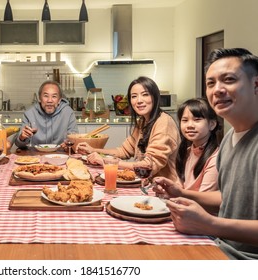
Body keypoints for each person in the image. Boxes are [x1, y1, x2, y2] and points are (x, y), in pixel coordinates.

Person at [153, 48, 258, 259]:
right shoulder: (229, 139)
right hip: (219, 246)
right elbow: (227, 198)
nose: (217, 89)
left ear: (256, 85)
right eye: (211, 83)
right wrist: (181, 193)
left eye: (228, 79)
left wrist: (209, 224)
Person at [77, 76, 180, 182]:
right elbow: (124, 151)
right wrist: (94, 150)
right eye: (134, 96)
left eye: (145, 94)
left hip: (165, 190)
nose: (139, 100)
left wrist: (107, 162)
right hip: (146, 184)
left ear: (155, 97)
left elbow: (148, 165)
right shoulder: (142, 122)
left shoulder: (164, 122)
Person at [14, 80, 78, 148]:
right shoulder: (29, 114)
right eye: (46, 96)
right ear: (40, 98)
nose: (49, 101)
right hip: (36, 156)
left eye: (54, 96)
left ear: (59, 100)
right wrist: (22, 138)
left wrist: (69, 143)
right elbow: (19, 145)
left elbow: (75, 138)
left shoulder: (68, 112)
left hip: (60, 154)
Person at [176, 98, 220, 191]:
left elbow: (206, 198)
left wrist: (178, 193)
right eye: (185, 120)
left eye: (197, 119)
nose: (189, 125)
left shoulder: (215, 158)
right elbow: (179, 185)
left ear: (212, 124)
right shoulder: (187, 152)